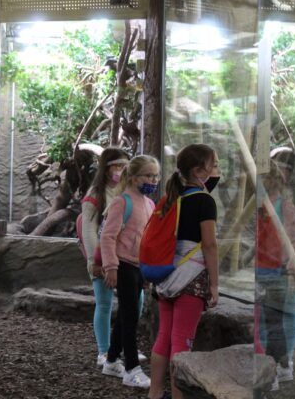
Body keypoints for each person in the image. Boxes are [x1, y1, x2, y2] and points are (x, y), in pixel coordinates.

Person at [148, 143, 219, 399]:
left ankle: (155, 393)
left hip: (167, 277)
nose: (217, 170)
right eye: (214, 165)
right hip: (191, 279)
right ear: (199, 171)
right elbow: (209, 244)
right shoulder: (204, 201)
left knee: (164, 337)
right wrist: (214, 284)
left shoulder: (171, 198)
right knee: (182, 341)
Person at [81, 147, 149, 367]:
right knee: (104, 303)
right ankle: (104, 350)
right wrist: (95, 261)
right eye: (116, 166)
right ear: (106, 168)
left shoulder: (128, 192)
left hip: (127, 259)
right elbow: (89, 230)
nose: (120, 170)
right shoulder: (95, 194)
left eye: (124, 166)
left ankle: (123, 347)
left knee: (134, 302)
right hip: (103, 257)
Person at [100, 155, 160, 389]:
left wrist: (148, 270)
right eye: (148, 175)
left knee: (128, 313)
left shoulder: (150, 204)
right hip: (123, 265)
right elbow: (108, 237)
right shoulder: (121, 202)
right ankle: (131, 369)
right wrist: (111, 267)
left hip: (138, 267)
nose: (153, 180)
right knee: (130, 317)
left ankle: (111, 360)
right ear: (134, 177)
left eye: (156, 176)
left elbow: (148, 239)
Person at [255, 147, 295, 391]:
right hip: (263, 270)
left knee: (279, 320)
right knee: (267, 322)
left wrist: (294, 271)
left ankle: (280, 365)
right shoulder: (261, 204)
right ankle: (274, 366)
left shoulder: (285, 204)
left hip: (280, 271)